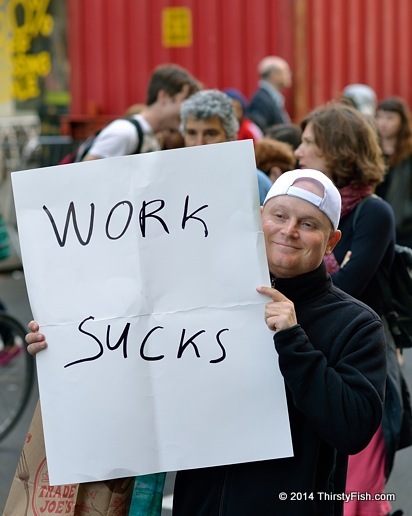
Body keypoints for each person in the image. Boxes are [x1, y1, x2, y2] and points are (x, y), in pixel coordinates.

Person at [26, 169, 387, 515]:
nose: (289, 230)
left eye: (308, 224)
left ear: (332, 240)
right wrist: (62, 342)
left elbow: (352, 429)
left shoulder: (356, 324)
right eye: (279, 215)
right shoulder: (205, 298)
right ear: (259, 217)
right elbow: (134, 362)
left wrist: (294, 341)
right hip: (197, 504)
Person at [295, 101, 403, 516]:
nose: (299, 152)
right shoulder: (299, 203)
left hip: (360, 360)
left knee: (357, 496)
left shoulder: (373, 212)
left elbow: (346, 288)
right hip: (309, 354)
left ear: (336, 149)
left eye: (308, 143)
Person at [82, 64, 200, 160]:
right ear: (163, 96)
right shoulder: (124, 133)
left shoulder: (150, 136)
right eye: (185, 100)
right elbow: (85, 177)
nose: (189, 110)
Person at [179, 89, 272, 204]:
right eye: (192, 133)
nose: (199, 143)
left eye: (210, 134)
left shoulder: (255, 184)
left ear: (230, 136)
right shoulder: (171, 182)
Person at [375, 96, 412, 248]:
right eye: (379, 117)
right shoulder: (371, 151)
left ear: (401, 121)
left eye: (390, 118)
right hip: (376, 223)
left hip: (404, 227)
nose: (383, 123)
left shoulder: (409, 153)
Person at [247, 56, 292, 132]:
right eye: (286, 71)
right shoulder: (261, 100)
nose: (289, 75)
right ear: (275, 75)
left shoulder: (270, 98)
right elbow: (262, 132)